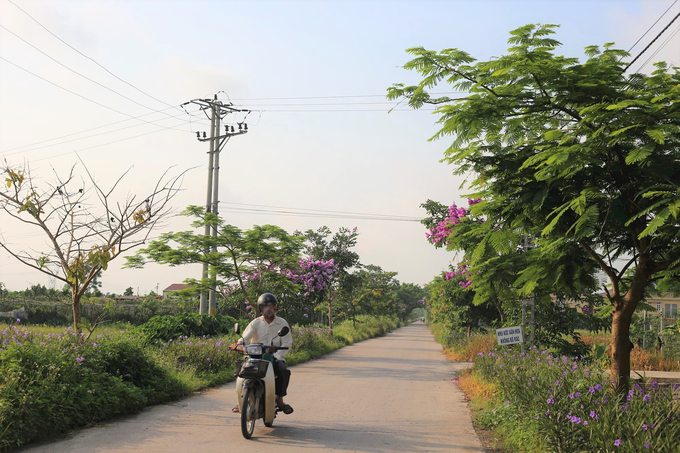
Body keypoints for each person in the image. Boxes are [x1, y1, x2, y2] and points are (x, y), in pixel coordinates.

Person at [231, 293, 294, 415]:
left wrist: (277, 356)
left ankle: (280, 400)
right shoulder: (255, 323)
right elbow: (245, 337)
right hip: (254, 356)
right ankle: (242, 401)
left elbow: (287, 342)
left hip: (274, 357)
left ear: (275, 308)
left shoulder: (282, 323)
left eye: (271, 306)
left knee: (282, 370)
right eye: (265, 306)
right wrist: (238, 344)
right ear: (261, 308)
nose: (268, 309)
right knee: (241, 371)